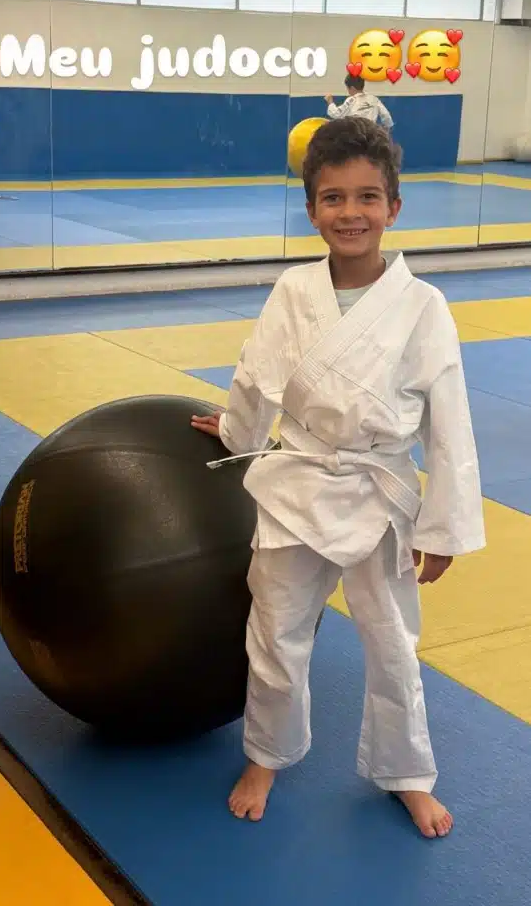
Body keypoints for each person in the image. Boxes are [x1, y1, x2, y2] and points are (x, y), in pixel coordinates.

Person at [191, 117, 485, 839]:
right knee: (277, 631)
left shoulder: (424, 307)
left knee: (391, 643)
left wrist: (444, 526)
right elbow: (257, 372)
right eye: (332, 199)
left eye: (366, 198)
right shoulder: (294, 290)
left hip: (379, 493)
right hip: (297, 483)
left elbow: (448, 421)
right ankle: (266, 753)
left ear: (394, 206)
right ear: (311, 206)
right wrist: (236, 432)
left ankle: (408, 773)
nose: (349, 213)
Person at [325, 74, 394, 131]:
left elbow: (337, 114)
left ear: (352, 88)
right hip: (371, 135)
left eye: (348, 88)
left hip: (355, 136)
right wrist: (387, 128)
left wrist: (330, 102)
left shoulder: (351, 100)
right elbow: (386, 115)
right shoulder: (374, 99)